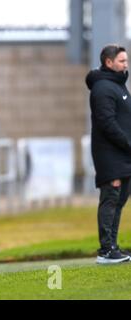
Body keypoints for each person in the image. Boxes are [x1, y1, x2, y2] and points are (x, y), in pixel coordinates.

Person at [86, 44, 131, 264]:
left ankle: (113, 247)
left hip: (123, 153)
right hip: (110, 154)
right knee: (111, 199)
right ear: (109, 62)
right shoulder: (103, 87)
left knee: (120, 199)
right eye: (122, 61)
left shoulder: (118, 85)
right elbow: (107, 123)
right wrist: (128, 143)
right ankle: (105, 251)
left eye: (126, 61)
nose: (126, 64)